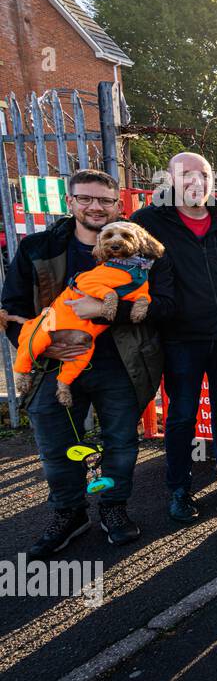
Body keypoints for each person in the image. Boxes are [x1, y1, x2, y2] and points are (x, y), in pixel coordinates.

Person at [1, 169, 163, 556]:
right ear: (70, 202)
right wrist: (46, 346)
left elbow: (163, 307)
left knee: (120, 443)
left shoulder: (141, 254)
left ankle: (113, 508)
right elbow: (12, 309)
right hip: (54, 367)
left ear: (117, 206)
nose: (96, 206)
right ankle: (69, 513)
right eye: (86, 199)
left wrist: (111, 311)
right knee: (57, 445)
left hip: (121, 363)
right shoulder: (38, 247)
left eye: (105, 200)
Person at [133, 152, 217, 523]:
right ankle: (179, 489)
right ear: (169, 179)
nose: (195, 181)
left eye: (202, 174)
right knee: (182, 415)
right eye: (185, 175)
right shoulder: (148, 223)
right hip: (181, 339)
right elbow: (128, 272)